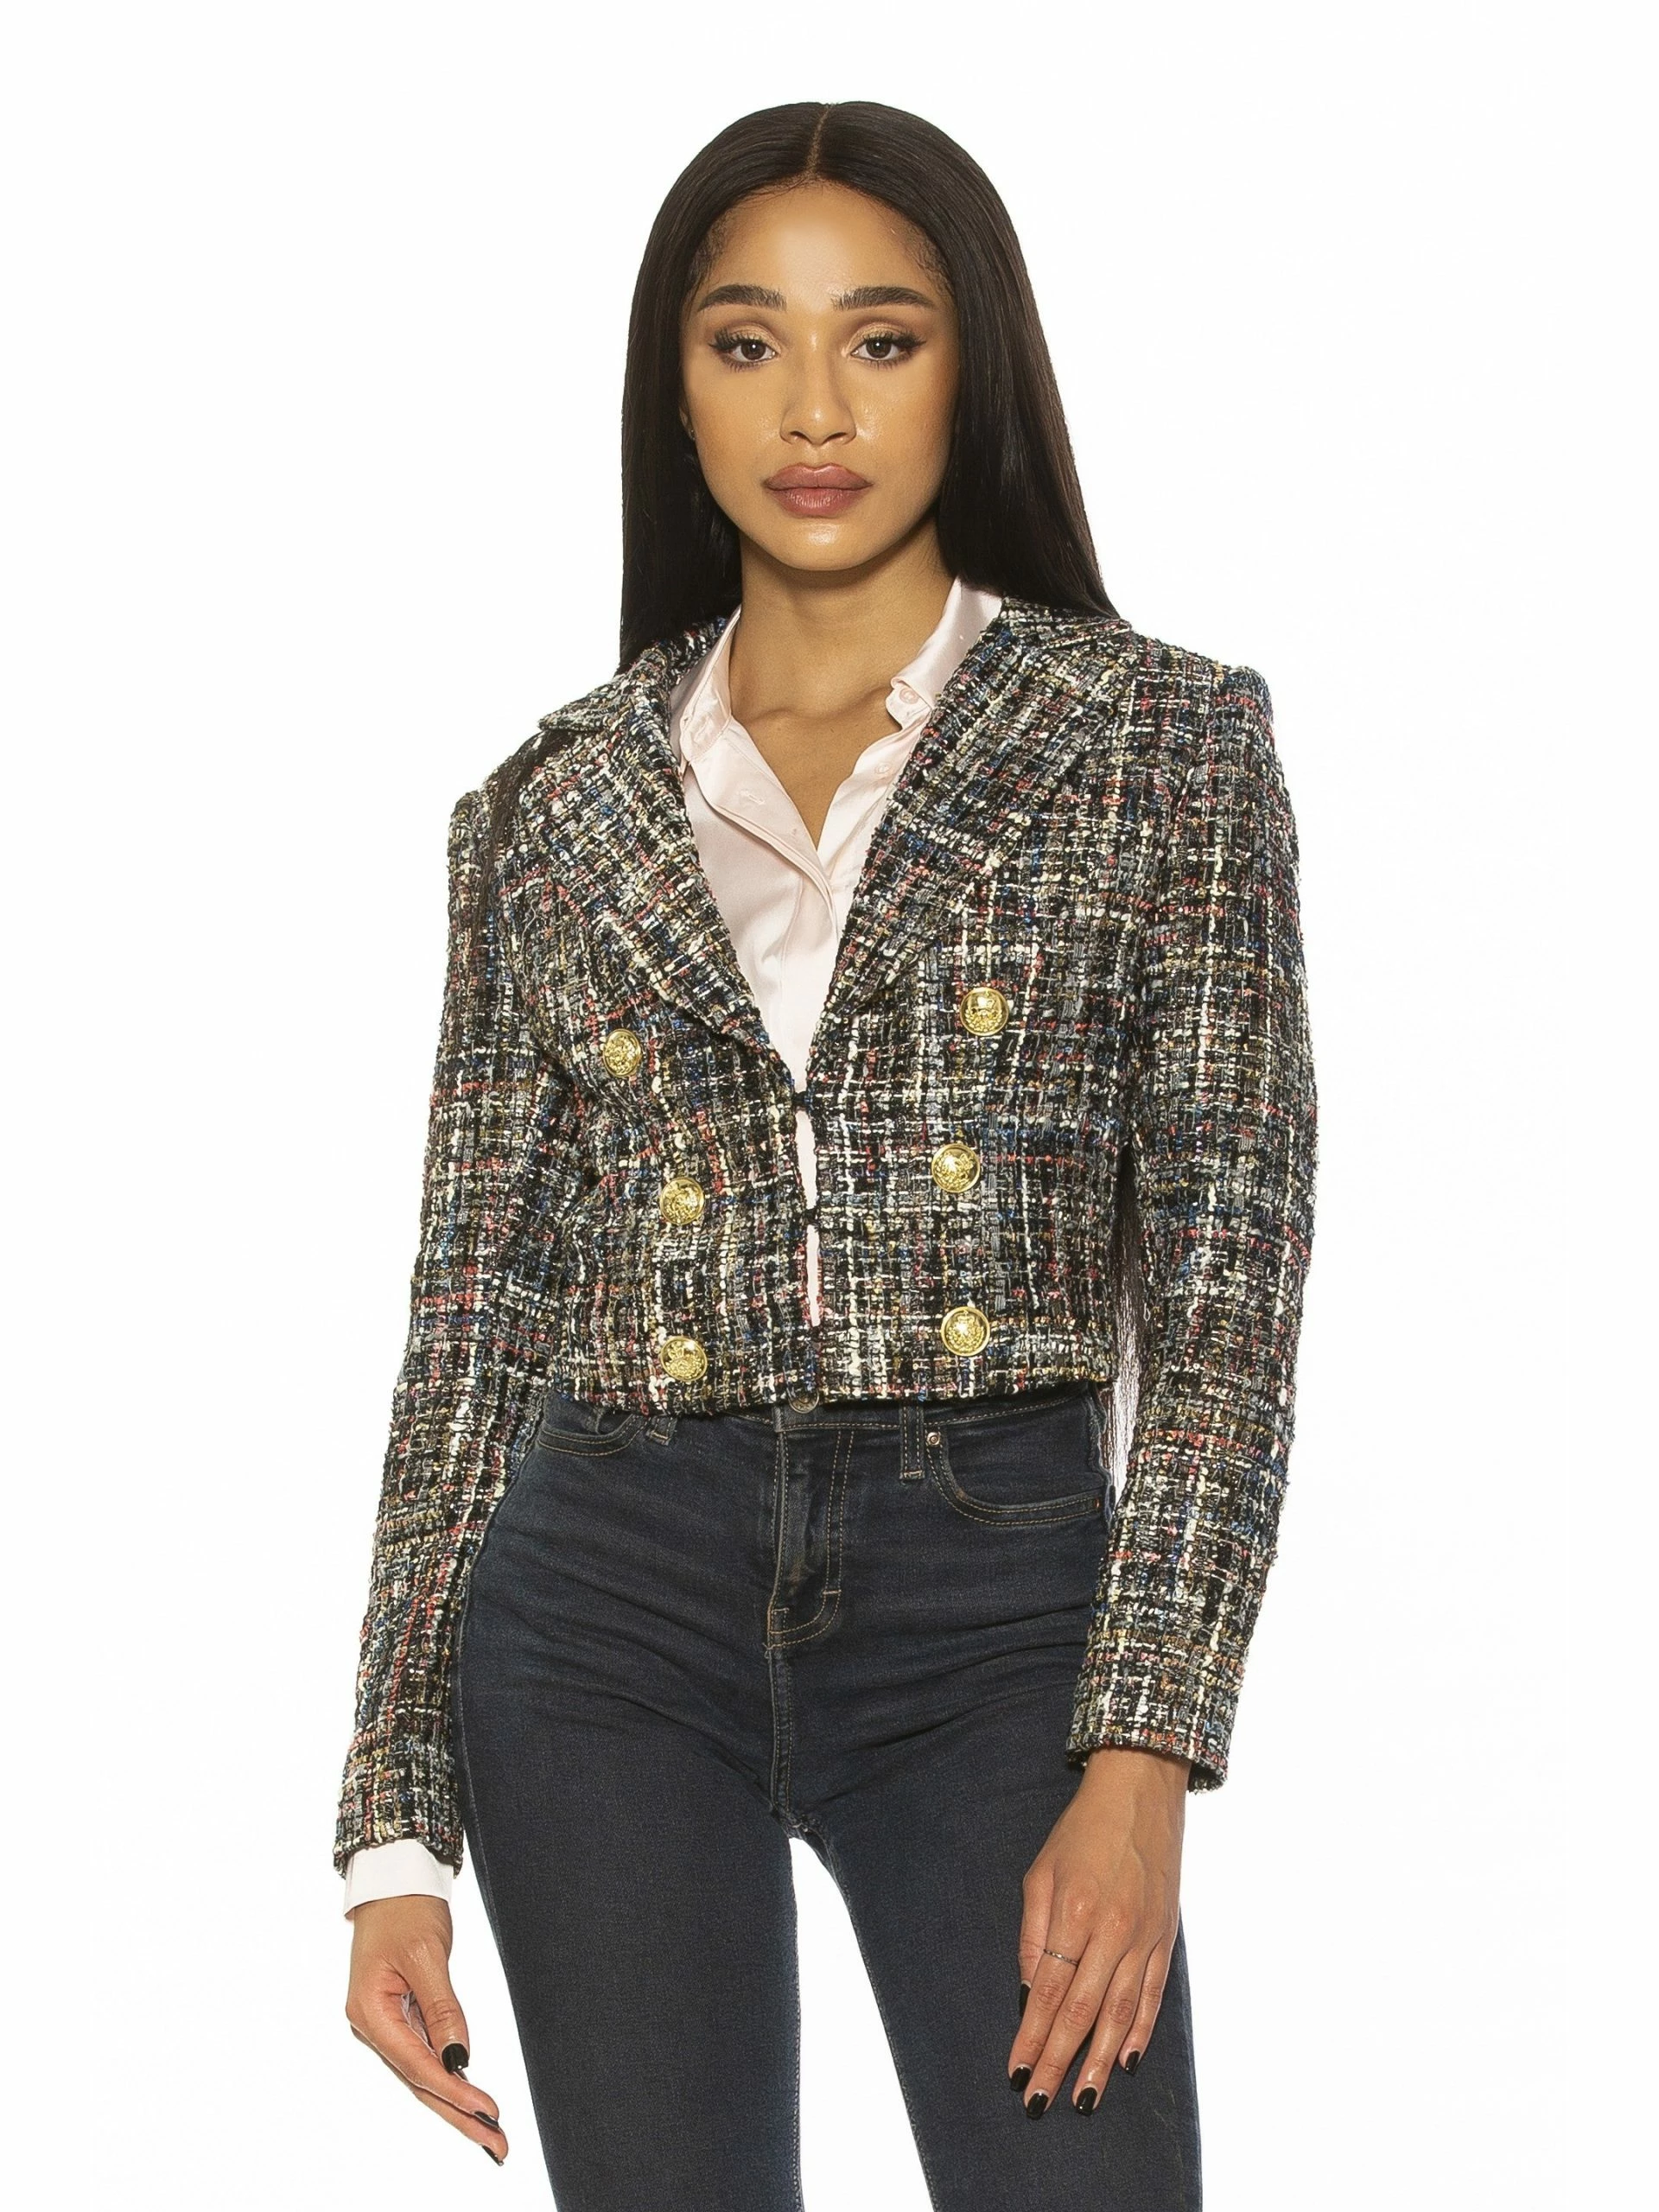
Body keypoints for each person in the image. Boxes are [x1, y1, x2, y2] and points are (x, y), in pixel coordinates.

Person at [335, 99, 1317, 2210]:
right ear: (672, 385)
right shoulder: (545, 807)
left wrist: (1145, 1751)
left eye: (880, 339)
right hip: (603, 1599)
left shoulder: (1162, 744)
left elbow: (1229, 1284)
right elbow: (473, 1317)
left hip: (999, 1598)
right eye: (743, 341)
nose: (812, 408)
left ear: (973, 369)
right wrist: (395, 1831)